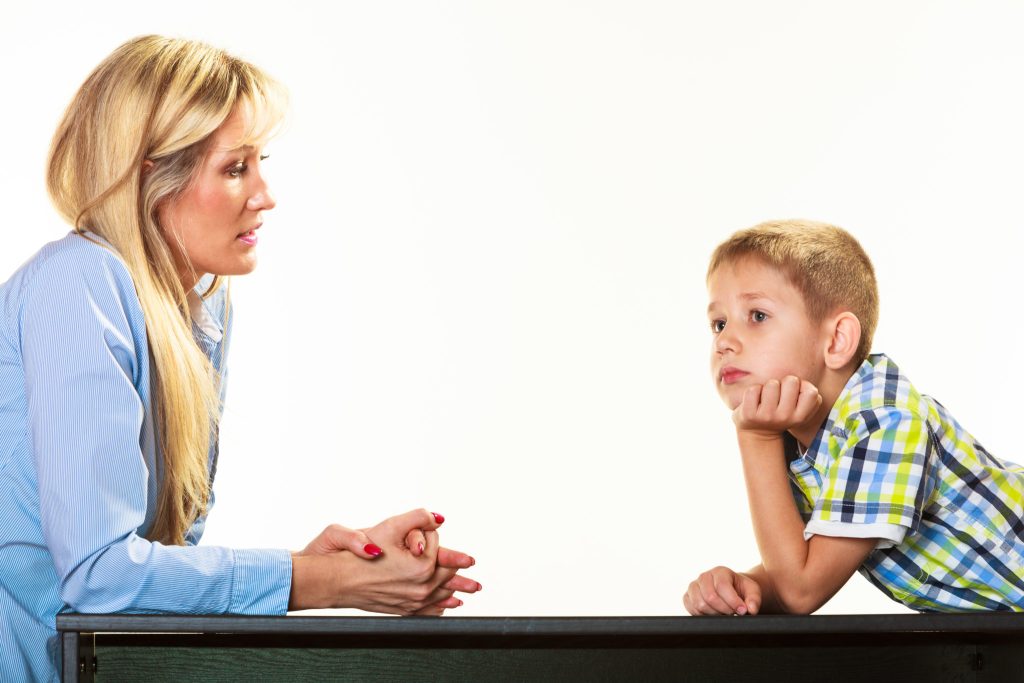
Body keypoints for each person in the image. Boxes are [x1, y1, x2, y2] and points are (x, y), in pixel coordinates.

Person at [0, 35, 479, 682]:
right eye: (235, 169)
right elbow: (102, 575)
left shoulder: (200, 308)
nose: (264, 194)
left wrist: (325, 567)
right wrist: (318, 579)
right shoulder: (80, 282)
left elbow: (154, 577)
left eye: (260, 163)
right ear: (149, 178)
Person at [684, 219, 1024, 616]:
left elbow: (802, 590)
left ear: (836, 340)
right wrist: (749, 587)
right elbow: (800, 566)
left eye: (757, 315)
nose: (724, 342)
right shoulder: (802, 444)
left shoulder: (886, 423)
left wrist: (755, 438)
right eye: (718, 324)